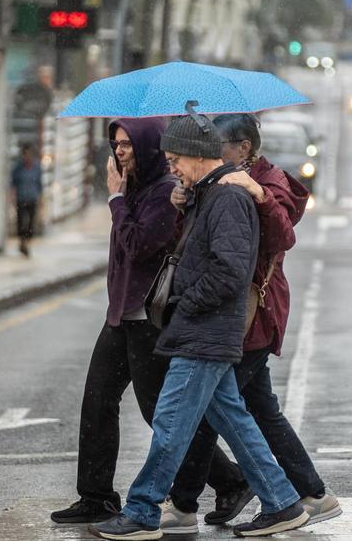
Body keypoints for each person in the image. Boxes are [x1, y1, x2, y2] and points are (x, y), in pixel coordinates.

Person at [91, 115, 308, 540]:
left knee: (171, 424)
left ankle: (142, 510)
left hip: (206, 331)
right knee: (235, 421)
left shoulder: (228, 198)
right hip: (206, 330)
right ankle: (282, 502)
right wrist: (184, 204)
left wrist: (185, 304)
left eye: (175, 159)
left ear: (197, 155)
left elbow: (229, 271)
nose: (170, 166)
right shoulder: (206, 193)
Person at [51, 118, 244, 527]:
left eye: (127, 146)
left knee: (160, 413)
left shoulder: (160, 193)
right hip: (121, 313)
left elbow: (139, 246)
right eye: (115, 145)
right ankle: (96, 495)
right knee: (98, 401)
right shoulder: (135, 190)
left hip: (148, 318)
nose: (119, 152)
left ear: (149, 148)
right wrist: (121, 199)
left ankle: (232, 480)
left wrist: (115, 201)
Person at [163, 114, 339, 532]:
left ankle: (185, 502)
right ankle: (312, 493)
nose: (208, 153)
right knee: (257, 408)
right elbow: (197, 244)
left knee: (209, 408)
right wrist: (183, 204)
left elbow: (282, 236)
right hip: (238, 313)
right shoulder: (217, 180)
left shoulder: (266, 180)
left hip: (253, 312)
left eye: (218, 146)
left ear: (243, 147)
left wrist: (258, 192)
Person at [11, 144, 43, 257]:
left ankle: (27, 243)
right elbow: (13, 184)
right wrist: (12, 197)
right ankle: (22, 242)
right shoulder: (18, 168)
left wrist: (40, 199)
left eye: (29, 154)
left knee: (30, 224)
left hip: (32, 199)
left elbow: (39, 185)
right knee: (21, 222)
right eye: (25, 154)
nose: (27, 157)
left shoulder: (37, 168)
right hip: (21, 199)